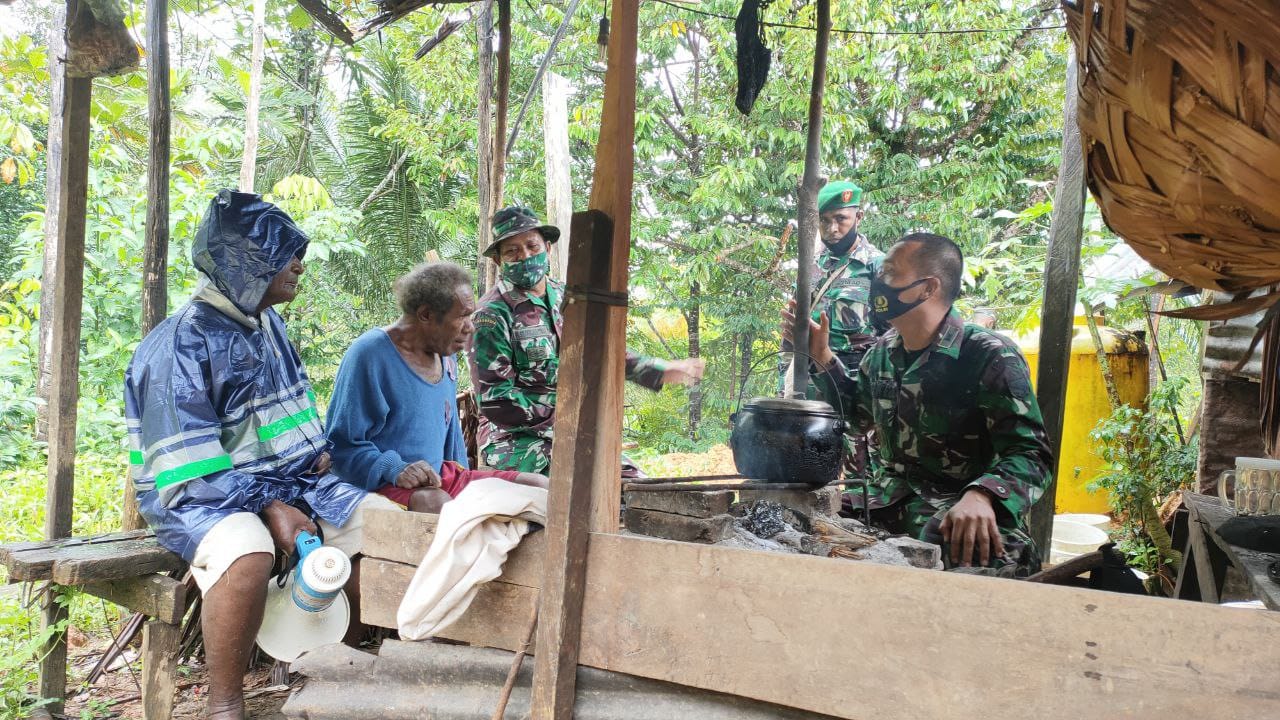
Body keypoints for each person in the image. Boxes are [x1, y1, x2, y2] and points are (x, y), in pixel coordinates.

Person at [125, 191, 400, 719]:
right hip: (200, 497)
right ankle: (225, 703)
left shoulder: (269, 324)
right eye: (283, 256)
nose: (298, 265)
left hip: (289, 483)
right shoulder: (178, 344)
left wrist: (315, 454)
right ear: (243, 264)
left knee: (386, 530)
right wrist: (269, 508)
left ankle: (331, 667)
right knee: (248, 552)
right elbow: (189, 471)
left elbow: (290, 409)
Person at [782, 232, 1052, 576]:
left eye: (891, 273)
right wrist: (823, 357)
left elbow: (1032, 454)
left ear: (928, 288)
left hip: (958, 507)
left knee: (988, 560)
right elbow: (855, 418)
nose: (878, 282)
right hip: (884, 501)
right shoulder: (881, 353)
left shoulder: (987, 354)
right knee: (791, 524)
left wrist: (983, 495)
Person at [467, 206, 704, 475]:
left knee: (636, 486)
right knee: (579, 485)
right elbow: (496, 401)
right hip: (514, 440)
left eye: (532, 246)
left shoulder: (566, 297)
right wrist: (565, 416)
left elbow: (600, 350)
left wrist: (660, 370)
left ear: (547, 247)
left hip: (572, 430)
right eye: (512, 251)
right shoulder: (490, 315)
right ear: (499, 261)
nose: (525, 256)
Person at [326, 261, 547, 512]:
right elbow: (339, 447)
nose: (470, 327)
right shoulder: (370, 355)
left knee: (538, 485)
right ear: (426, 315)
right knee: (439, 505)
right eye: (462, 316)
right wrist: (394, 468)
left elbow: (450, 433)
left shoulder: (445, 353)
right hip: (382, 486)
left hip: (440, 478)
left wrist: (467, 483)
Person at [782, 180, 887, 476]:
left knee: (860, 483)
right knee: (807, 476)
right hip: (812, 390)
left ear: (858, 217)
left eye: (841, 219)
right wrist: (785, 387)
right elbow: (790, 337)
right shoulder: (811, 268)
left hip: (855, 390)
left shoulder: (877, 267)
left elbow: (892, 337)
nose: (832, 228)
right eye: (824, 221)